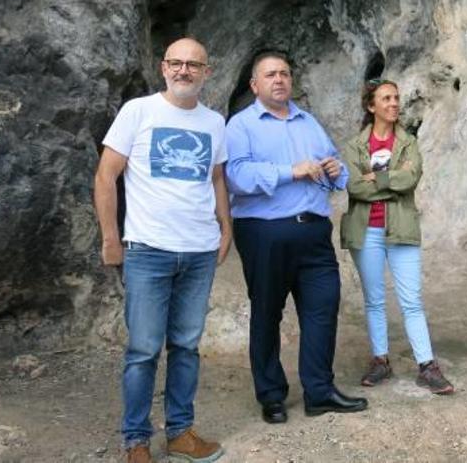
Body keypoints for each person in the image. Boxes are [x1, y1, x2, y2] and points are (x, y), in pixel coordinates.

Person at [94, 37, 230, 463]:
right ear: (163, 67)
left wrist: (226, 228)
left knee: (187, 346)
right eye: (176, 63)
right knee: (143, 349)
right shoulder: (138, 111)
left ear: (206, 72)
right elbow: (105, 176)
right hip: (148, 250)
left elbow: (217, 179)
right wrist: (110, 239)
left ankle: (180, 433)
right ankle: (137, 440)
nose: (184, 70)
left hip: (199, 251)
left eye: (193, 65)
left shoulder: (214, 122)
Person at [225, 50, 368, 424]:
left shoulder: (309, 123)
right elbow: (235, 178)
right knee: (267, 312)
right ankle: (271, 396)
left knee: (322, 309)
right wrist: (290, 171)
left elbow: (335, 171)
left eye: (285, 73)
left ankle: (319, 392)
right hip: (264, 233)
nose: (279, 80)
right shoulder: (240, 126)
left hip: (314, 231)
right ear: (255, 84)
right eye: (270, 74)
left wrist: (337, 171)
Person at [340, 79, 455, 395]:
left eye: (396, 98)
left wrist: (375, 178)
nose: (393, 103)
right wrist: (392, 179)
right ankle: (380, 361)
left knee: (411, 300)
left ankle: (427, 366)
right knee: (374, 300)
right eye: (386, 98)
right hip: (367, 231)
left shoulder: (408, 143)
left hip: (401, 228)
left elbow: (411, 178)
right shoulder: (354, 146)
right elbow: (354, 186)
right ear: (371, 105)